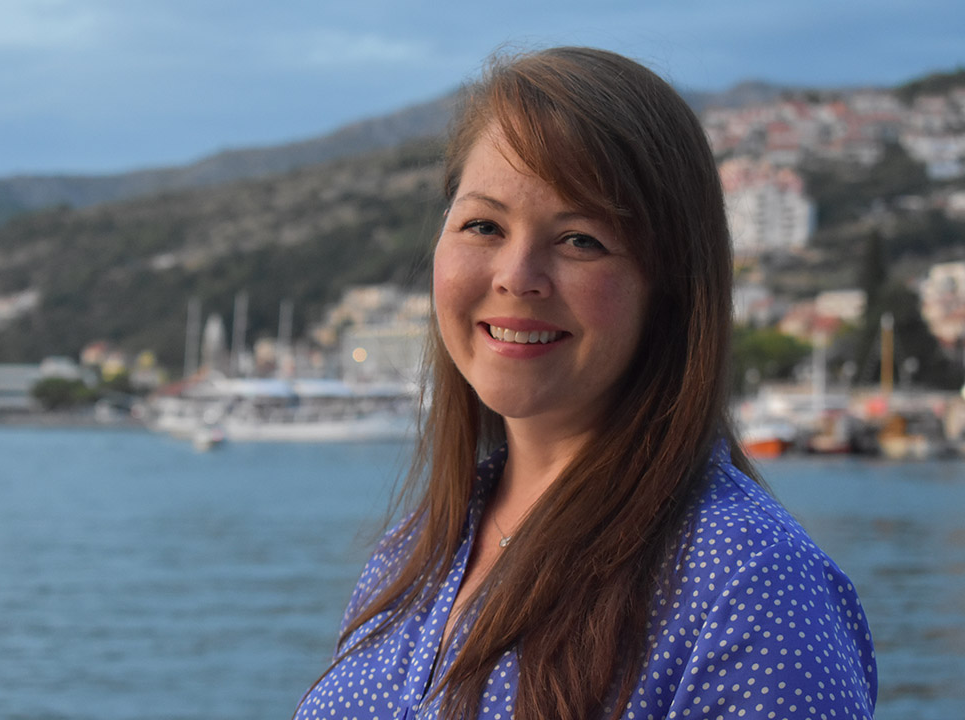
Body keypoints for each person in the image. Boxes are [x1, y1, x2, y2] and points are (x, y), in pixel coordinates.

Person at [294, 46, 877, 720]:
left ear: (669, 289)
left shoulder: (750, 585)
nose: (517, 275)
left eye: (580, 240)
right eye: (484, 225)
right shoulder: (413, 553)